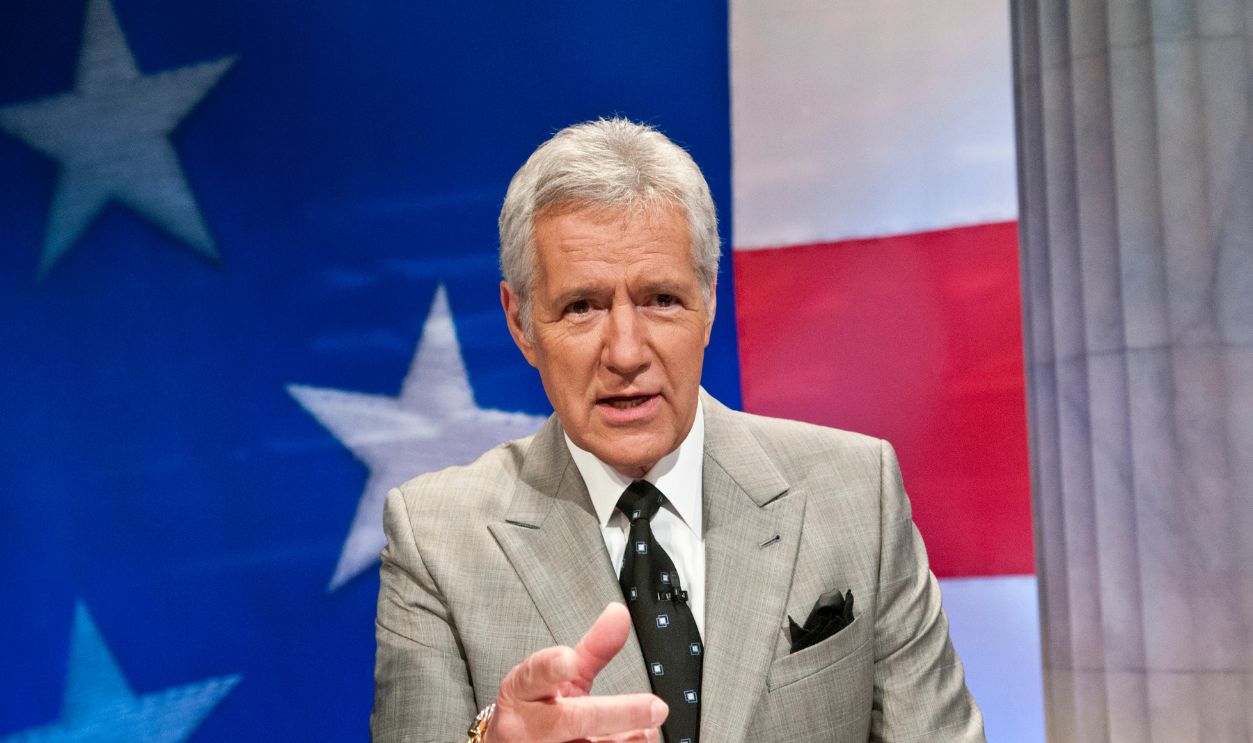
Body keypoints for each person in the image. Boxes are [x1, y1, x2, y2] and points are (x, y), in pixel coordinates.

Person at [371, 118, 985, 743]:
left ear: (709, 300)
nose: (626, 352)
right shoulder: (436, 541)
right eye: (581, 307)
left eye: (661, 299)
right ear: (521, 322)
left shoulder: (857, 494)